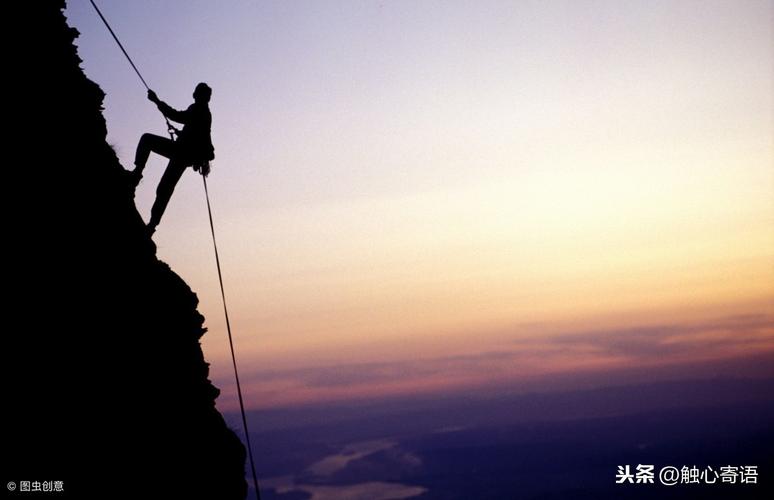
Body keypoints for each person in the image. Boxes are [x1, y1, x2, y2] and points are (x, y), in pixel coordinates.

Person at [131, 82, 215, 234]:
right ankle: (152, 225)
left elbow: (176, 115)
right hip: (184, 154)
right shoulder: (203, 112)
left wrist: (156, 101)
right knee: (165, 188)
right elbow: (195, 134)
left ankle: (137, 173)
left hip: (181, 153)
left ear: (197, 95)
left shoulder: (198, 109)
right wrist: (179, 134)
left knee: (147, 141)